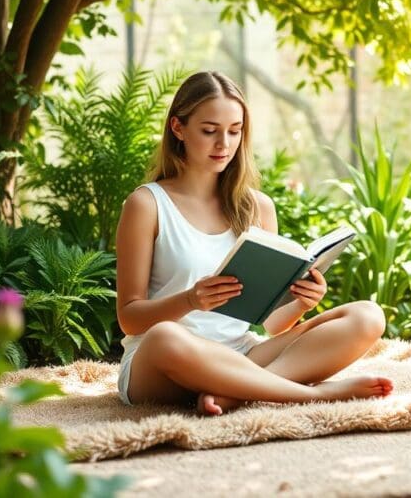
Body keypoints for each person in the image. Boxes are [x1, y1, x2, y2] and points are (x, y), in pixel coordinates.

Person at [115, 71, 393, 415]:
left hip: (241, 353)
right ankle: (311, 396)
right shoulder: (146, 204)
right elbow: (130, 318)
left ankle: (236, 392)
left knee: (367, 316)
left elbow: (273, 324)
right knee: (164, 336)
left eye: (235, 131)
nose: (224, 144)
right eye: (209, 131)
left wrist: (301, 303)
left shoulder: (257, 207)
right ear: (178, 128)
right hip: (161, 363)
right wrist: (190, 299)